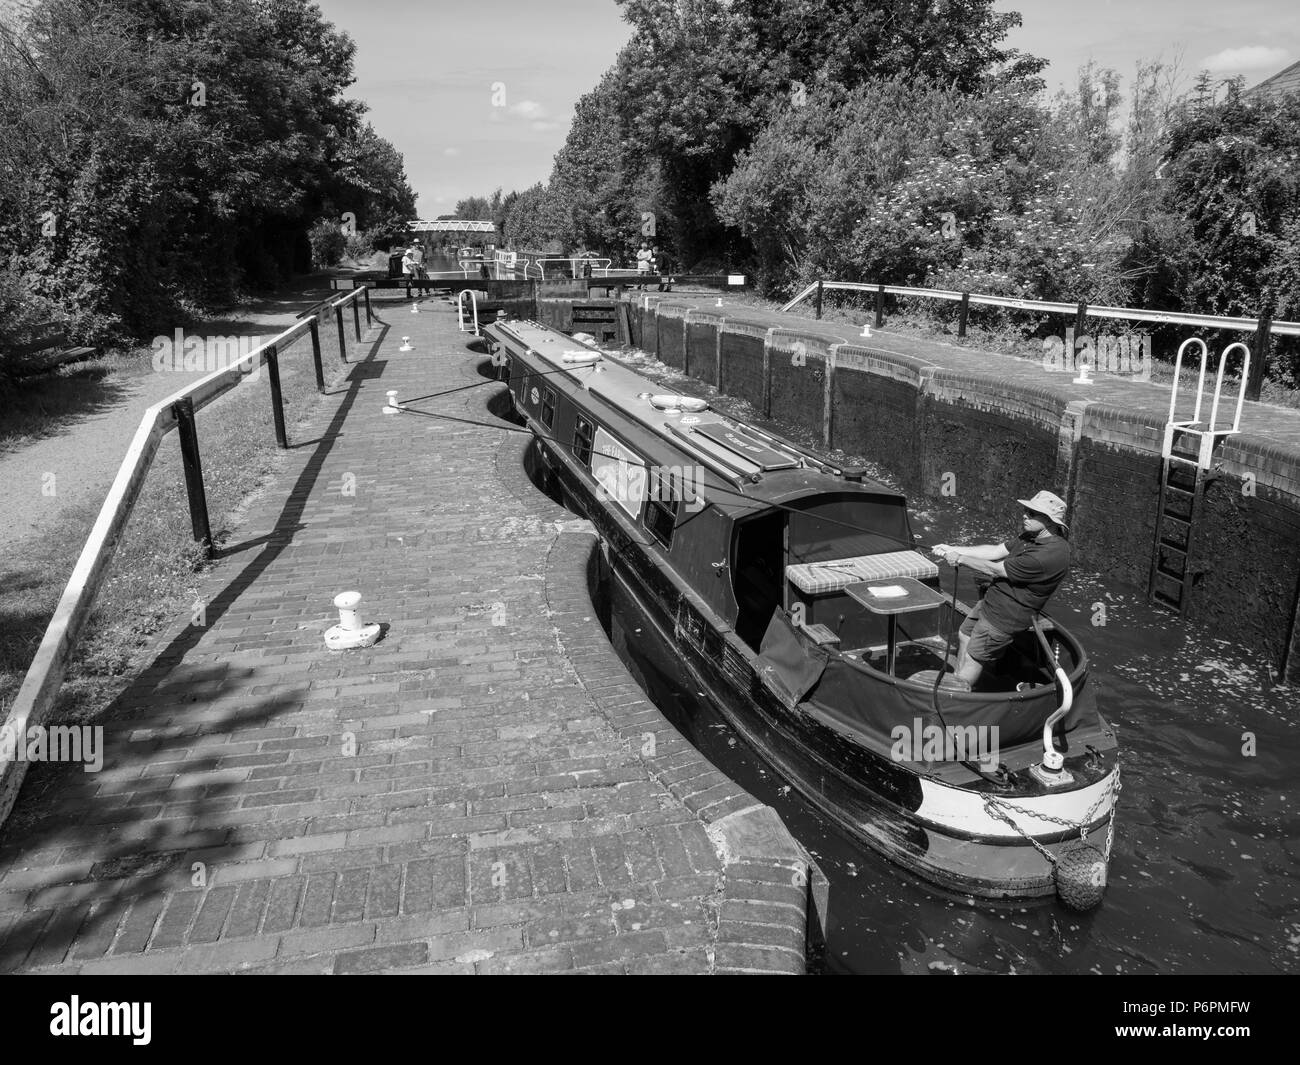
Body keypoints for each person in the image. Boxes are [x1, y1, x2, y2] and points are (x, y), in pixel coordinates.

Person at [932, 490, 1071, 691]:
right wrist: (952, 548)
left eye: (1032, 514)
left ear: (1050, 521)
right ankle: (957, 681)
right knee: (964, 635)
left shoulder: (1049, 554)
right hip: (990, 603)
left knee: (974, 656)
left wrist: (959, 558)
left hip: (1004, 616)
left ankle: (955, 699)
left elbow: (996, 568)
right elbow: (996, 551)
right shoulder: (1030, 536)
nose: (1025, 515)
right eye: (1026, 511)